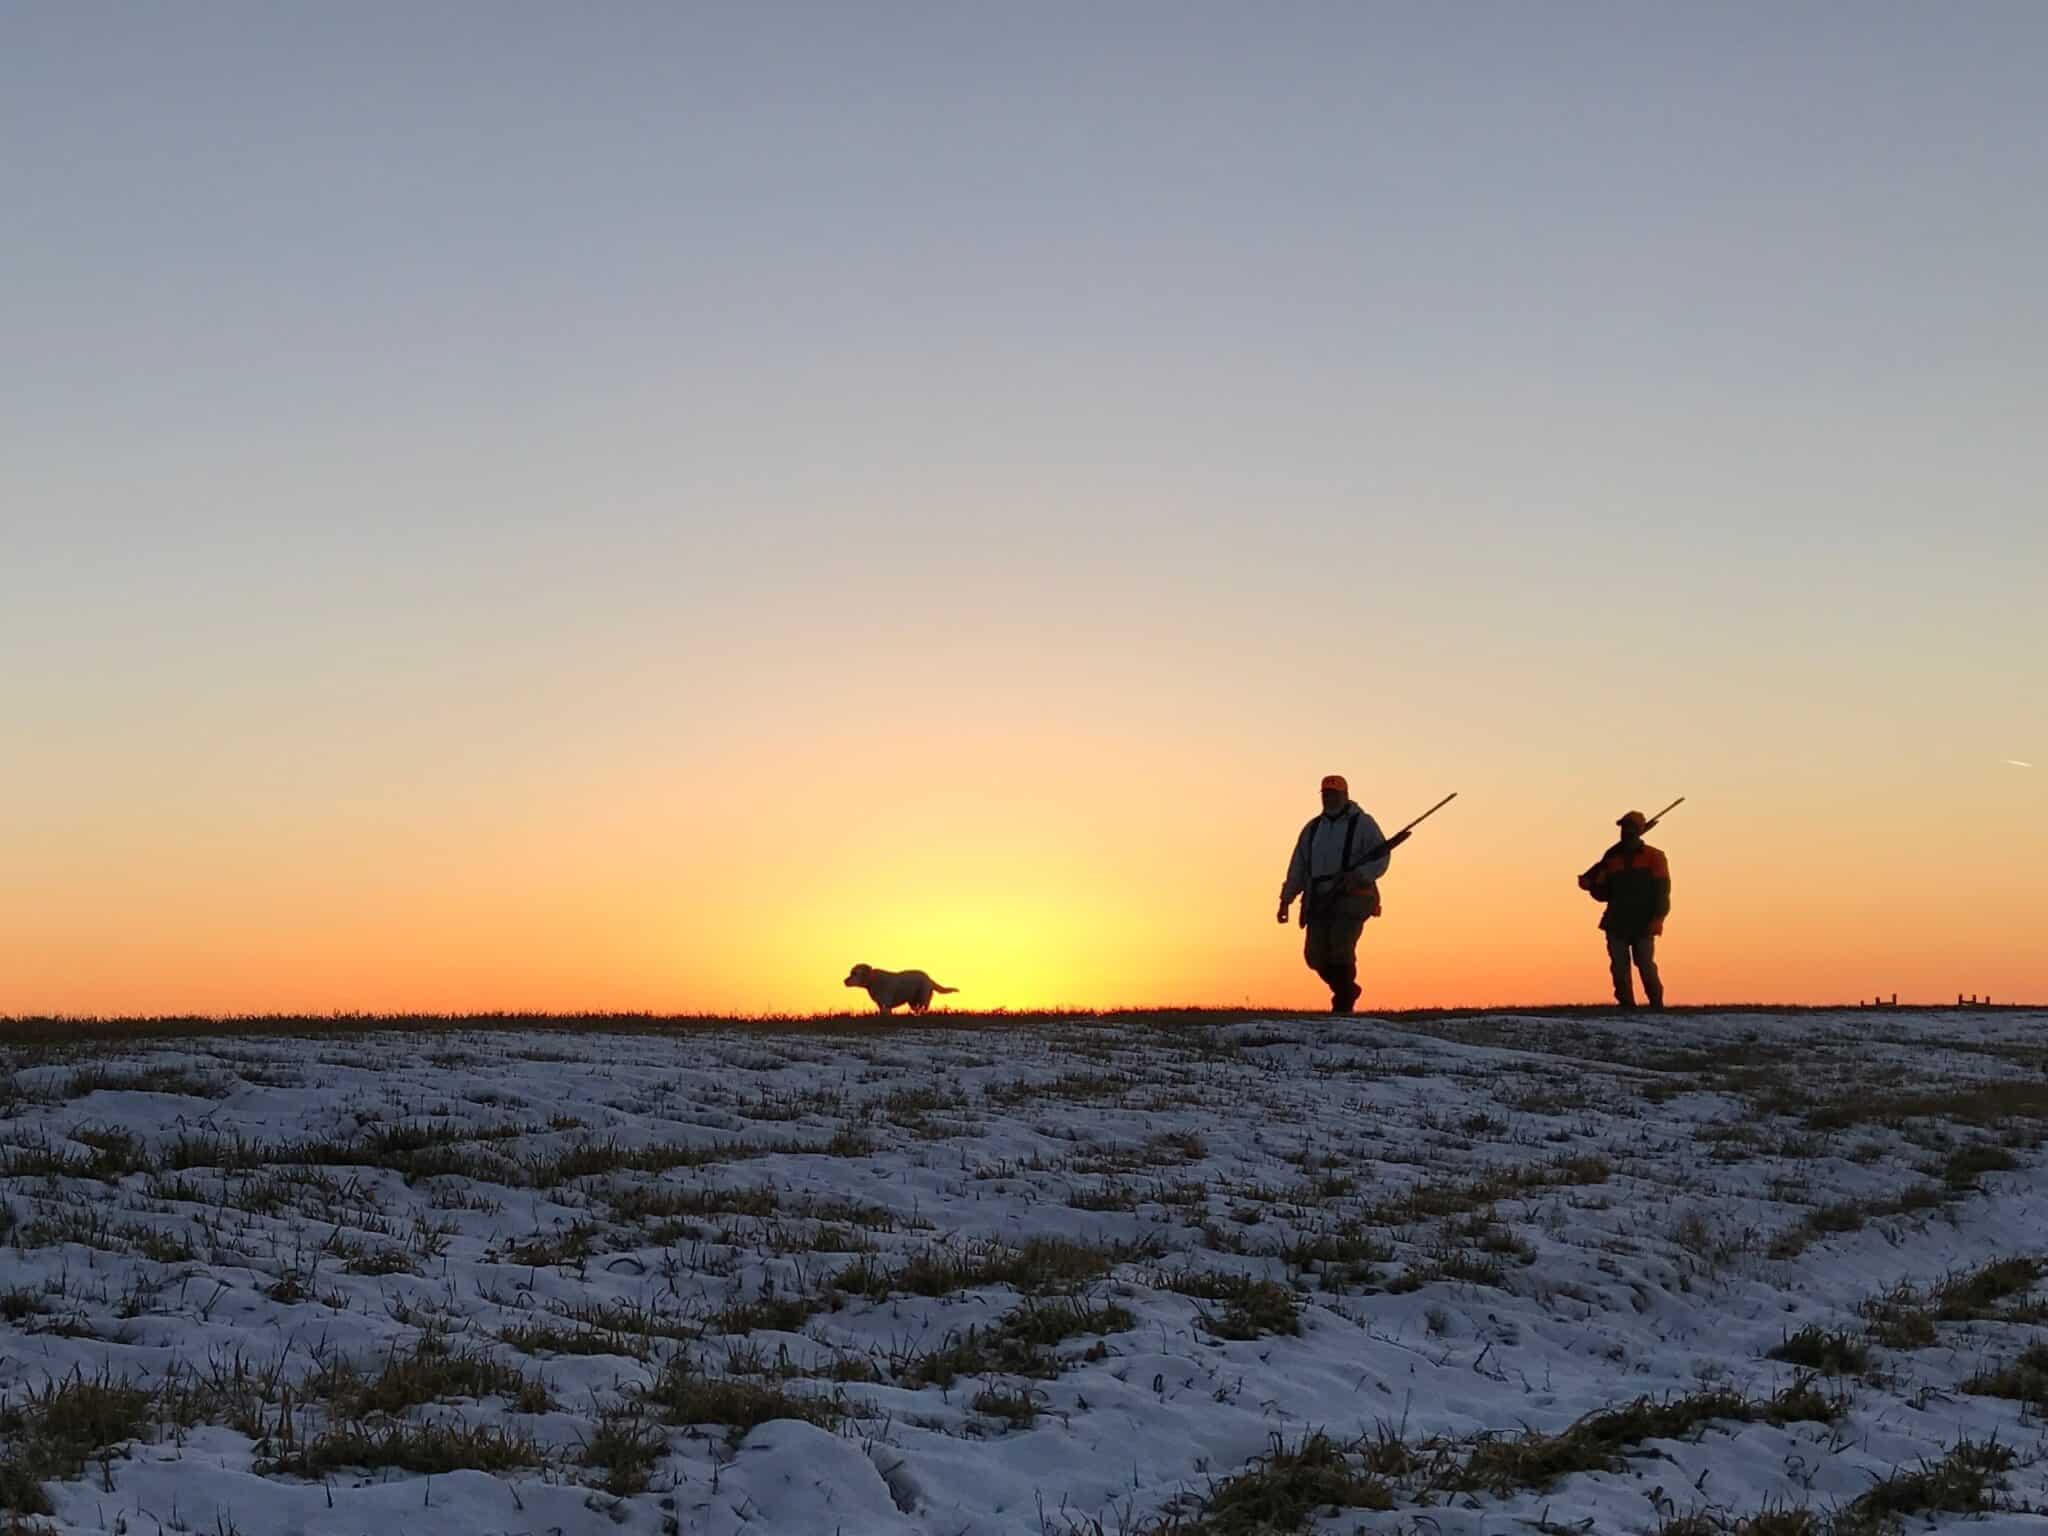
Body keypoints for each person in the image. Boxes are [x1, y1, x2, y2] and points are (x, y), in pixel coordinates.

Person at [1276, 775, 1390, 1014]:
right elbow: (1298, 865)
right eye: (1326, 793)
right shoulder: (1312, 828)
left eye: (1334, 793)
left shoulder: (1364, 824)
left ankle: (1343, 1004)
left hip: (1353, 897)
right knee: (1314, 956)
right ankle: (1347, 989)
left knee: (1341, 947)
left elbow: (1381, 857)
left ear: (1345, 794)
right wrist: (1286, 899)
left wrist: (1359, 875)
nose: (1329, 798)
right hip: (1318, 898)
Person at [1577, 810, 1671, 1009]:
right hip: (1616, 921)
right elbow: (1603, 894)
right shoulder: (1612, 858)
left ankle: (1656, 1005)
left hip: (1643, 921)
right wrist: (1591, 885)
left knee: (1645, 964)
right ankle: (1627, 1005)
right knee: (1619, 967)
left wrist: (1657, 919)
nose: (1624, 831)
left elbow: (1662, 892)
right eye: (1623, 828)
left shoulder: (1655, 857)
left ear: (1638, 830)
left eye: (1628, 828)